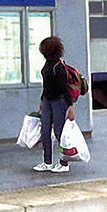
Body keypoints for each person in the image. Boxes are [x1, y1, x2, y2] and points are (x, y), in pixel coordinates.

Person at [35, 36, 80, 173]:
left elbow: (64, 88)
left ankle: (63, 162)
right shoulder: (48, 64)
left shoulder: (58, 67)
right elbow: (46, 85)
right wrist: (43, 100)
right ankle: (47, 161)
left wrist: (70, 106)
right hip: (49, 100)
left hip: (59, 101)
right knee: (45, 130)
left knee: (59, 132)